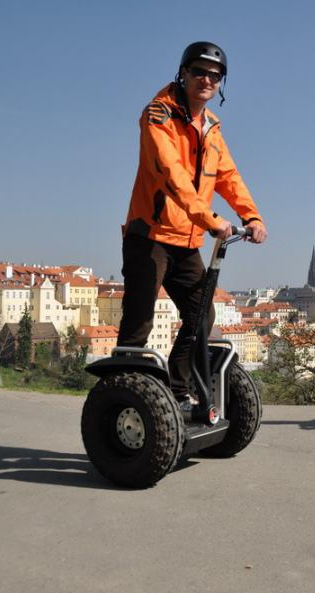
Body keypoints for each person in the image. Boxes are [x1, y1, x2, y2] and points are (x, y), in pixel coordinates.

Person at [117, 41, 267, 405]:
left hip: (186, 242)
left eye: (215, 75)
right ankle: (122, 396)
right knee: (140, 321)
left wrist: (252, 215)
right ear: (182, 73)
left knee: (201, 315)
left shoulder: (211, 126)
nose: (206, 79)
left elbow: (228, 176)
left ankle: (176, 390)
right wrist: (211, 219)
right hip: (149, 235)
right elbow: (172, 177)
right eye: (199, 71)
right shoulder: (158, 115)